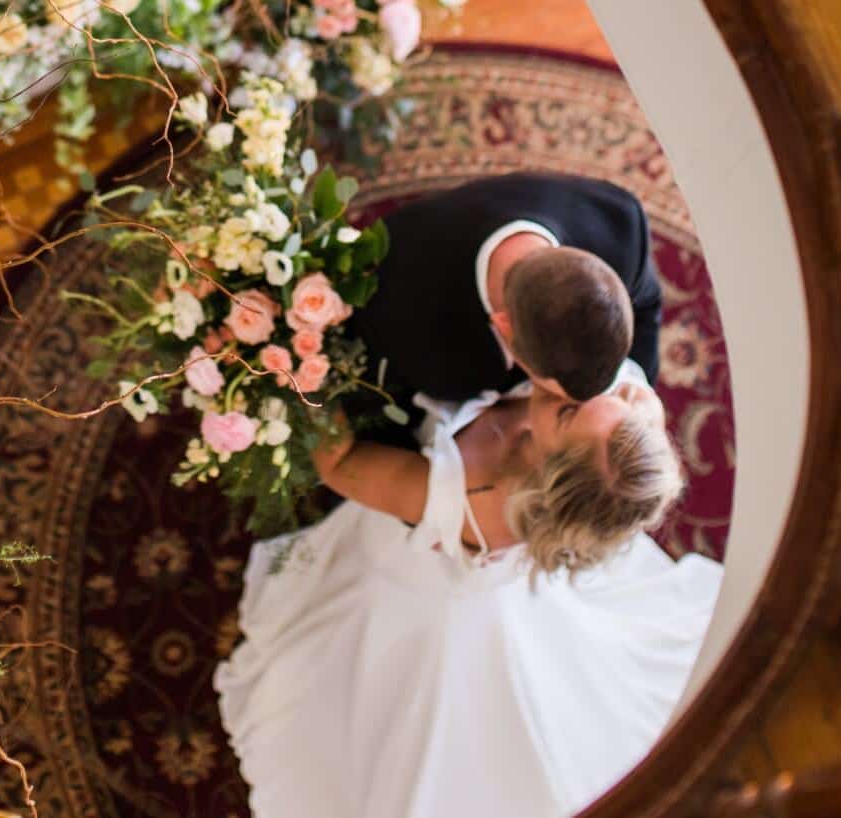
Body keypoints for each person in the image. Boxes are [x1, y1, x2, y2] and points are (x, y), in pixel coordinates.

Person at [213, 361, 722, 818]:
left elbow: (340, 464)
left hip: (410, 593)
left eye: (569, 414)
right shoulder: (616, 426)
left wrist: (304, 362)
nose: (582, 392)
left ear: (550, 471)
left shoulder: (473, 503)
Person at [347, 172, 664, 440]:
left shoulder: (621, 226)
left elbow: (647, 301)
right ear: (504, 324)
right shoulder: (423, 347)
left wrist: (637, 382)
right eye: (551, 390)